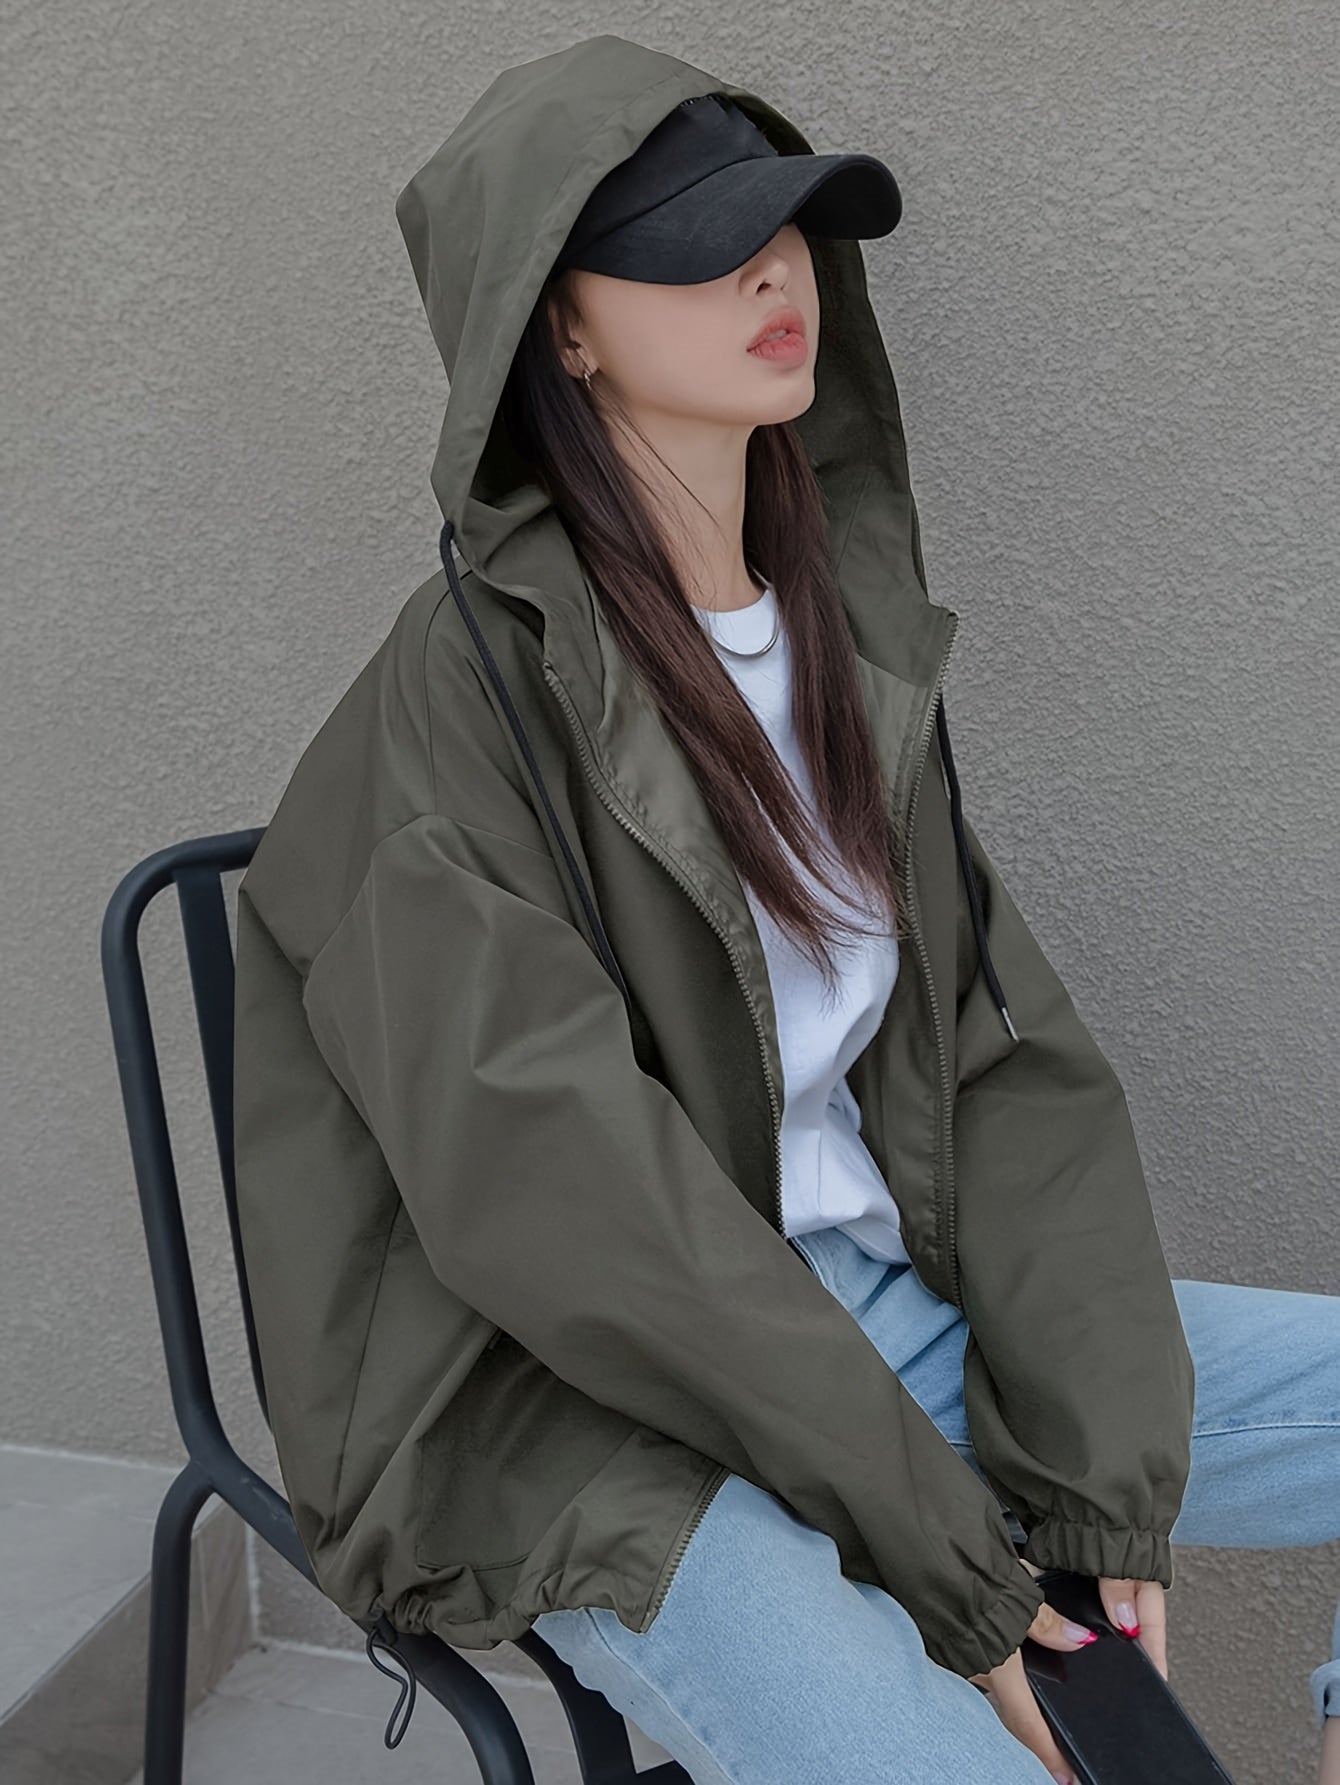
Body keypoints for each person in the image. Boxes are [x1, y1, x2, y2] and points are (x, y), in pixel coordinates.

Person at [230, 33, 1340, 1785]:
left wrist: (1096, 1489)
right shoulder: (451, 711)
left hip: (876, 1312)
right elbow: (578, 1210)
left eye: (781, 227)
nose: (768, 271)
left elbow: (1002, 1066)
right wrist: (966, 1576)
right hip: (577, 1408)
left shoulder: (844, 648)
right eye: (690, 247)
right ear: (559, 329)